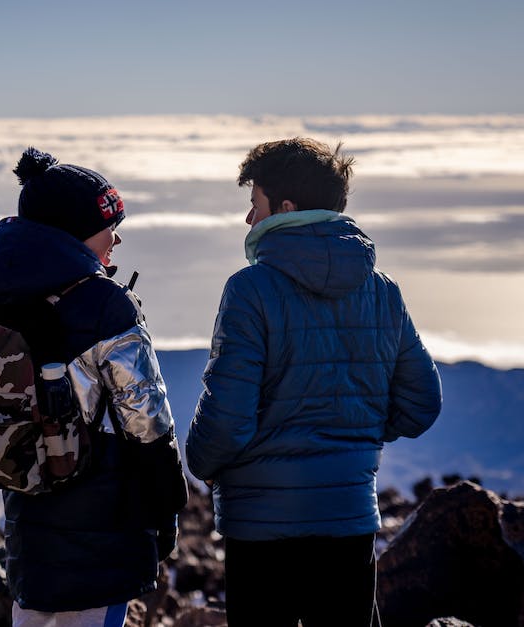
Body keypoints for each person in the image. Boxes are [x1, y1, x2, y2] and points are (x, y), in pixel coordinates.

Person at [186, 138, 442, 626]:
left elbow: (227, 417)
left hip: (260, 527)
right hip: (348, 518)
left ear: (285, 208)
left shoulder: (251, 289)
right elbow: (421, 403)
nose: (248, 220)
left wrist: (203, 463)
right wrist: (353, 435)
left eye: (254, 204)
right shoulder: (382, 291)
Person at [0, 147, 189, 627]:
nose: (116, 238)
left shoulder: (2, 300)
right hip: (103, 526)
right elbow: (147, 420)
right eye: (108, 226)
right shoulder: (105, 305)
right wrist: (168, 506)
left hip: (28, 524)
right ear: (73, 233)